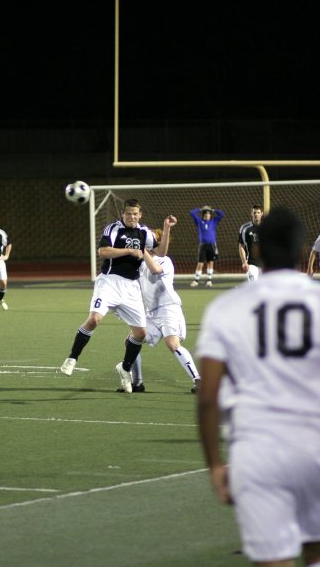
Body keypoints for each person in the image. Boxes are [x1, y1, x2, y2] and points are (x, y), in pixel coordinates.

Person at [196, 207, 320, 567]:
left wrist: (216, 465)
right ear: (301, 252)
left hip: (258, 451)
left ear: (258, 250)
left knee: (272, 560)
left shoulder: (227, 308)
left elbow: (207, 398)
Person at [60, 199, 171, 393]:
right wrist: (129, 250)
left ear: (140, 214)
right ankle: (72, 358)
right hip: (110, 282)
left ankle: (125, 368)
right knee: (94, 319)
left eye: (135, 214)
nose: (132, 217)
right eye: (129, 214)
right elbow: (103, 251)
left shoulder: (144, 232)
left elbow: (160, 252)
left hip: (131, 287)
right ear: (123, 213)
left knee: (141, 334)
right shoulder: (113, 229)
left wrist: (166, 228)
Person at [118, 221, 201, 394]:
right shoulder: (140, 264)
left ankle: (198, 380)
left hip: (169, 308)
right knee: (131, 341)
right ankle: (137, 383)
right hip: (151, 313)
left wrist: (142, 250)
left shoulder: (165, 260)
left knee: (172, 343)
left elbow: (155, 270)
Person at [189, 206, 224, 287]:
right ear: (203, 215)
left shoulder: (213, 222)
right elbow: (192, 212)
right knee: (200, 263)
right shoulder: (199, 221)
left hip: (212, 245)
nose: (207, 215)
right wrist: (201, 209)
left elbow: (221, 214)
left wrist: (213, 210)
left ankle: (209, 280)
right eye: (206, 214)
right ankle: (196, 280)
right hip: (203, 245)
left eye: (208, 214)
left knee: (210, 262)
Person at [238, 204, 263, 281]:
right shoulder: (245, 228)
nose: (256, 214)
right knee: (253, 286)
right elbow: (241, 246)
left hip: (265, 264)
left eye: (258, 212)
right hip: (252, 264)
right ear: (251, 213)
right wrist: (244, 262)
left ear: (261, 213)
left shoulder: (267, 227)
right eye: (254, 212)